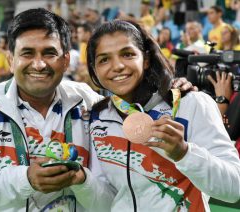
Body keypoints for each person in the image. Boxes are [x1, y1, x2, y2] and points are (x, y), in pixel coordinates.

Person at [0, 8, 113, 212]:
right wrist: (25, 179)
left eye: (49, 53)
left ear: (65, 60)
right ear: (11, 60)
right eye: (27, 53)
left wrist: (83, 180)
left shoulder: (89, 104)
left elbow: (112, 196)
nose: (39, 64)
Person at [85, 20, 240, 211]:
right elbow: (107, 198)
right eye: (104, 59)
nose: (117, 66)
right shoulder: (98, 118)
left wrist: (184, 153)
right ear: (94, 69)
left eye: (127, 54)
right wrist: (81, 181)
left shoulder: (190, 104)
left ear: (146, 59)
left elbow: (234, 188)